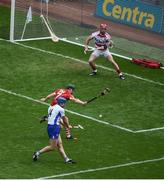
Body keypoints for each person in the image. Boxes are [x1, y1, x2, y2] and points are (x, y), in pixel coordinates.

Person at [33, 97, 76, 164]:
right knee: (53, 147)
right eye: (64, 103)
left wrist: (65, 126)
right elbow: (64, 119)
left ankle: (66, 159)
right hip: (54, 128)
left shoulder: (53, 107)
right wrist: (67, 126)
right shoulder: (61, 109)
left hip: (52, 126)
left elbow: (58, 119)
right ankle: (37, 153)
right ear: (61, 103)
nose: (65, 104)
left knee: (60, 144)